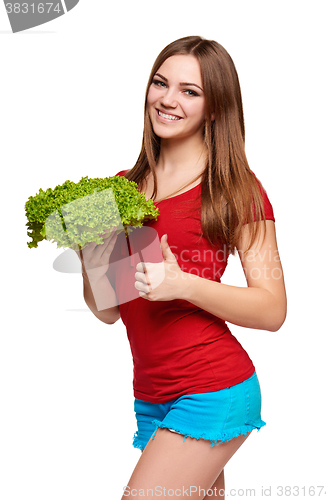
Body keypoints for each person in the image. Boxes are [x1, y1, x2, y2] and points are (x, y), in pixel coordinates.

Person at [77, 36, 287, 499]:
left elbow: (272, 310)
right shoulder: (120, 189)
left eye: (189, 91)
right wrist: (89, 257)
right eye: (160, 83)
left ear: (214, 109)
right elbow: (109, 310)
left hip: (212, 390)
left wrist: (183, 283)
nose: (168, 100)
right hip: (152, 395)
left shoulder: (235, 188)